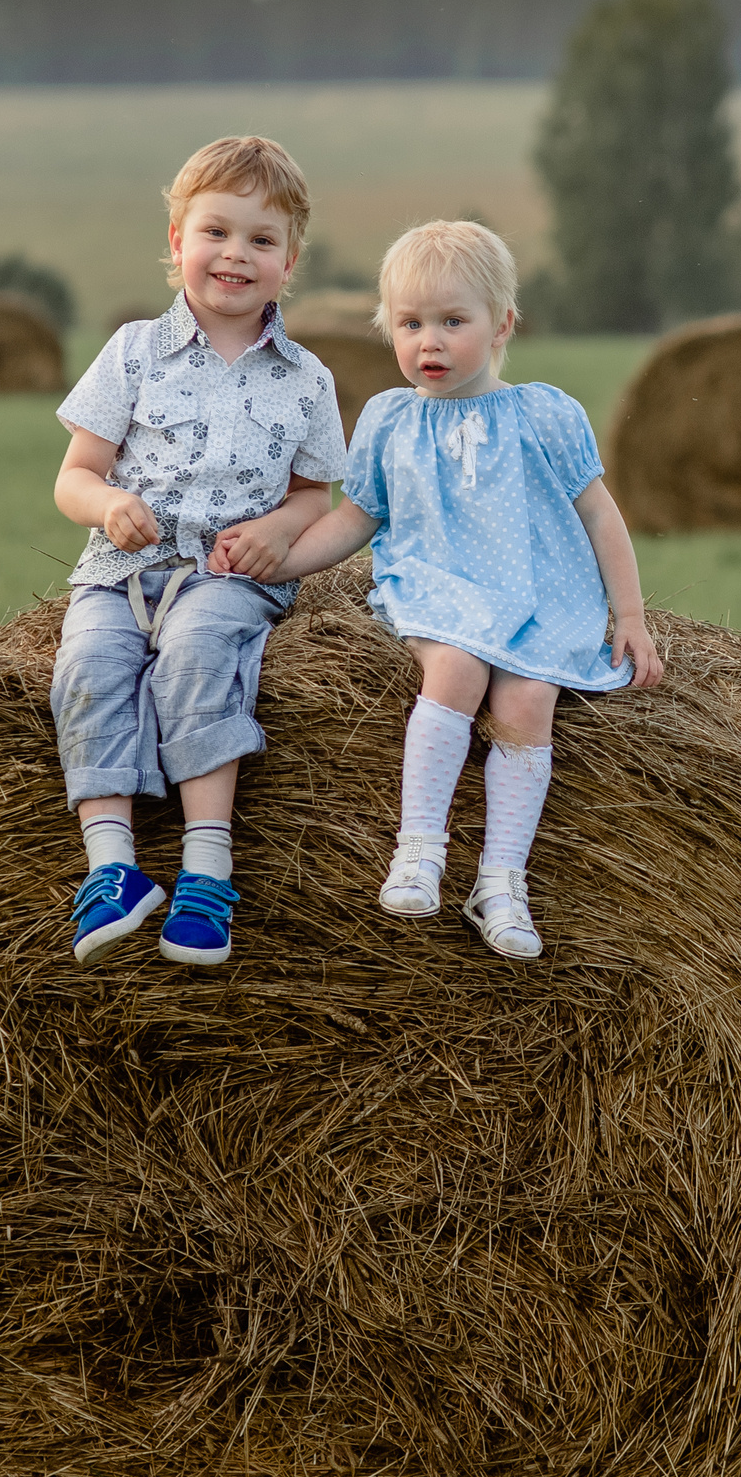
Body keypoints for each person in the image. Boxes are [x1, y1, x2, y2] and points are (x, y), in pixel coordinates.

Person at [270, 221, 663, 959]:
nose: (431, 343)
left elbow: (599, 515)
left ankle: (501, 882)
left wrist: (630, 613)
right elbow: (357, 516)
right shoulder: (390, 420)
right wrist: (283, 564)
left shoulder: (547, 413)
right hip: (435, 580)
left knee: (528, 699)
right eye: (412, 324)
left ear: (502, 324)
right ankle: (419, 848)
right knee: (456, 668)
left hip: (534, 592)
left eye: (454, 322)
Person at [50, 136, 345, 968]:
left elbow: (316, 494)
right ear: (177, 242)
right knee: (88, 669)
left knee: (195, 656)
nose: (235, 255)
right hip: (118, 573)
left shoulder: (307, 379)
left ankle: (207, 869)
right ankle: (113, 870)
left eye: (262, 240)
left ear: (290, 264)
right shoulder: (133, 352)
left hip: (226, 578)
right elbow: (74, 477)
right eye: (216, 232)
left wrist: (279, 533)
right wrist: (109, 508)